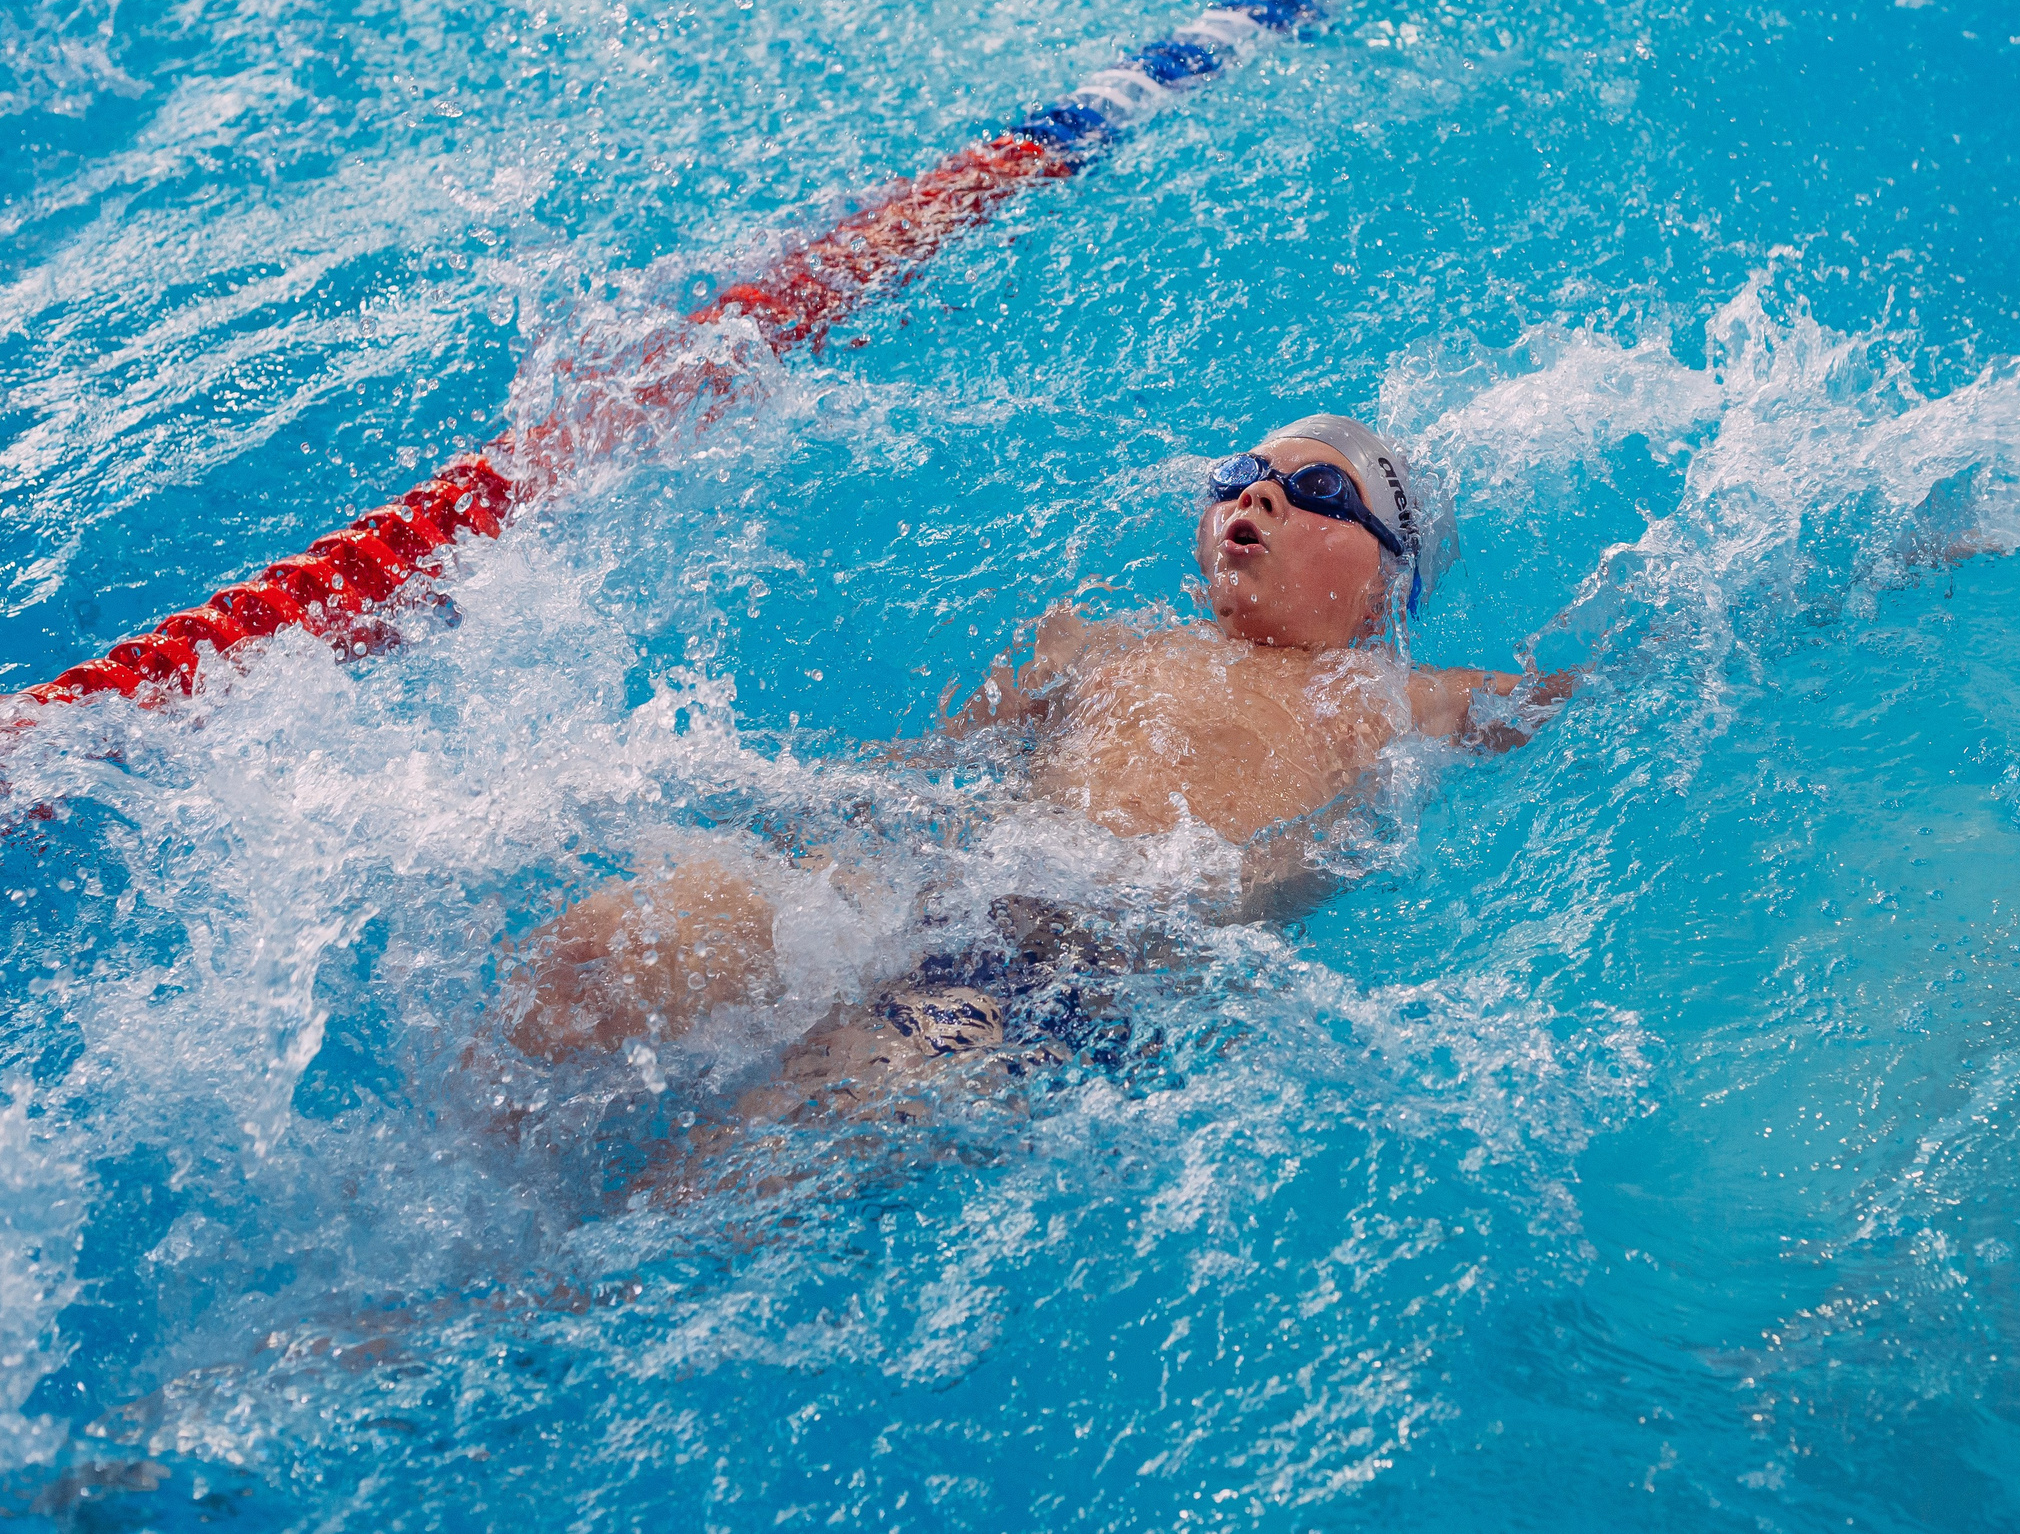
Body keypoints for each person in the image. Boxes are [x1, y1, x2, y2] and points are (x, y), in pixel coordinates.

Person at [488, 415, 1572, 1134]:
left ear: (1387, 584)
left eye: (1318, 486)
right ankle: (491, 1195)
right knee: (592, 952)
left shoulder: (1384, 696)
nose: (1262, 495)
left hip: (1087, 954)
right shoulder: (1092, 644)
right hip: (937, 875)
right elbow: (921, 771)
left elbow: (1585, 692)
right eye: (1240, 476)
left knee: (778, 1132)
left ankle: (495, 1328)